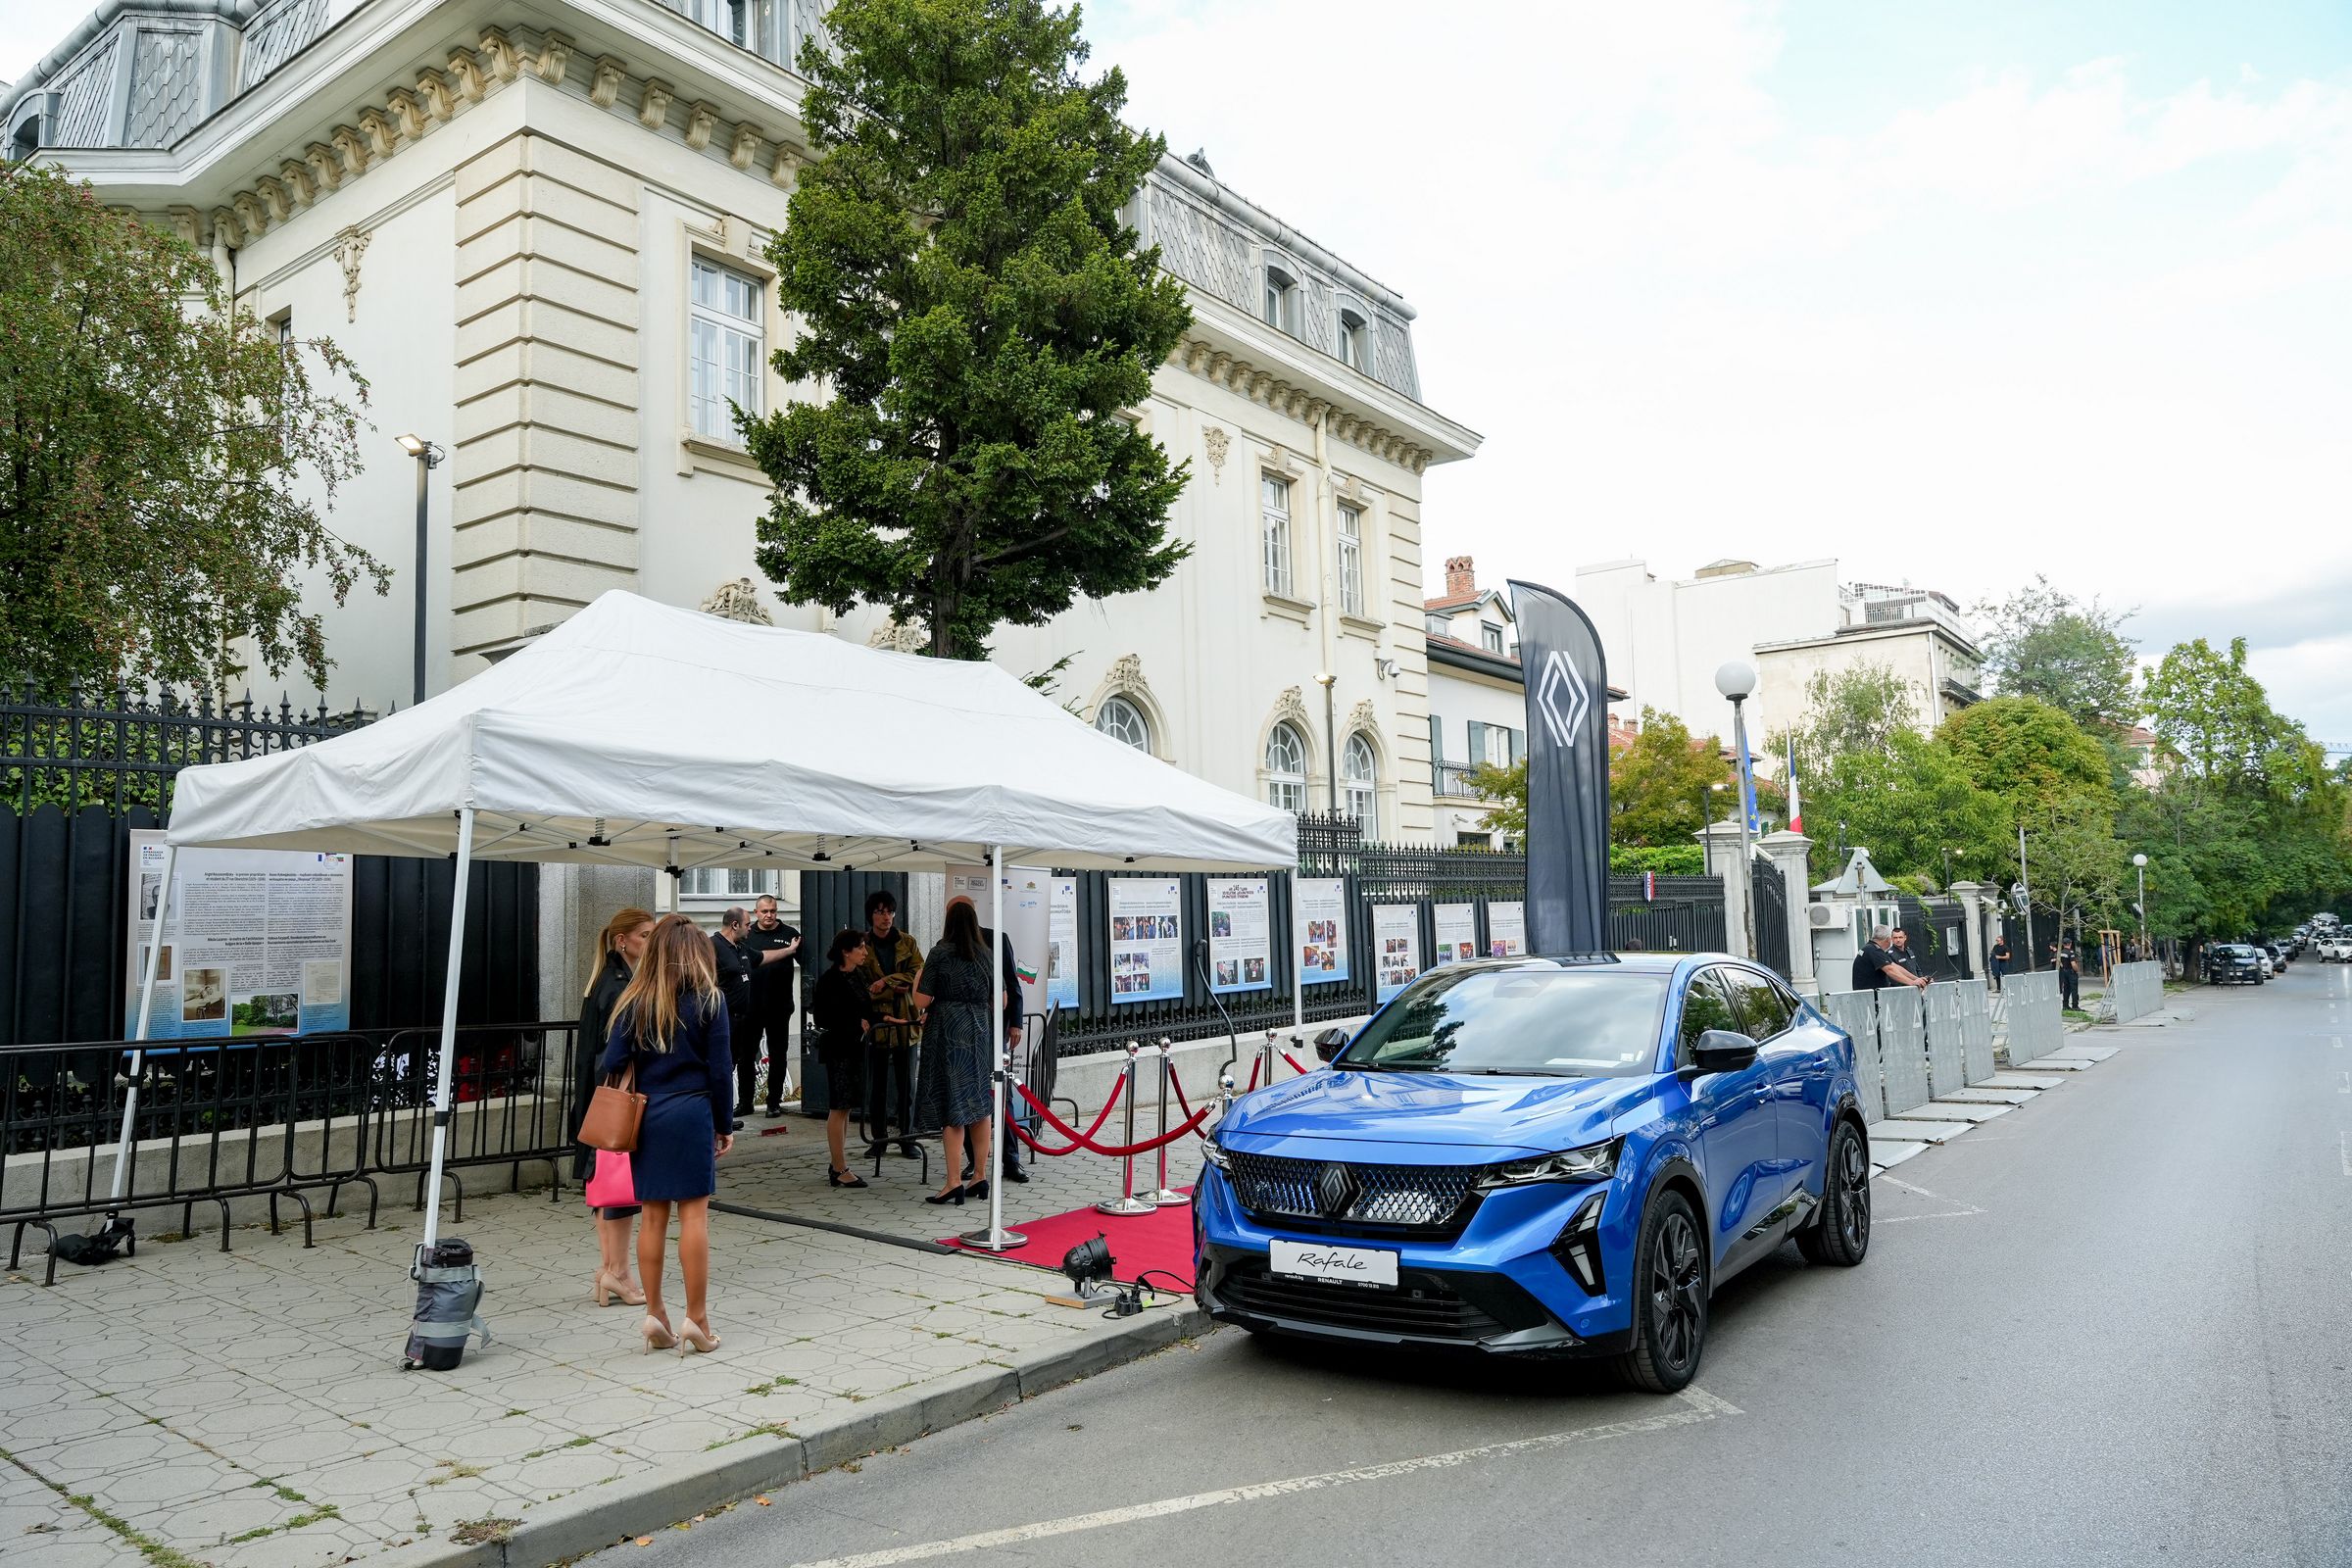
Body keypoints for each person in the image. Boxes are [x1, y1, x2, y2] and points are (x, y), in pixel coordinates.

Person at [601, 913, 734, 1355]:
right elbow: (721, 1071)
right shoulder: (711, 1001)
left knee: (652, 1217)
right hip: (693, 1111)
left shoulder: (635, 1001)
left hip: (648, 1114)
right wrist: (724, 1124)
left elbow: (611, 1061)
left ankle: (655, 1313)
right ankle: (697, 1319)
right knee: (694, 1217)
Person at [572, 907, 654, 1308]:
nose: (650, 942)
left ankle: (610, 1270)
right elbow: (617, 1051)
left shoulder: (607, 978)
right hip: (615, 1096)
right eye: (644, 936)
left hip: (599, 1098)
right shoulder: (619, 985)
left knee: (605, 1183)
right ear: (622, 940)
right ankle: (618, 1273)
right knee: (619, 1186)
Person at [912, 900, 1003, 1205]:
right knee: (979, 1102)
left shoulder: (940, 953)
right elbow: (1001, 1000)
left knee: (953, 1105)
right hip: (979, 1030)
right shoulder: (986, 954)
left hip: (949, 1030)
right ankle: (980, 1175)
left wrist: (917, 980)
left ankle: (953, 1182)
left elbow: (922, 1000)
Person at [943, 893, 1027, 1186]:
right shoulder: (945, 946)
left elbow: (1012, 984)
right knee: (966, 1095)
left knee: (1002, 1095)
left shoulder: (995, 939)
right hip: (961, 1035)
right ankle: (974, 1162)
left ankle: (1010, 1159)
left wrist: (1015, 1023)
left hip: (992, 1030)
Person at [856, 890, 925, 1159]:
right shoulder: (864, 944)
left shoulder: (907, 942)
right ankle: (879, 1139)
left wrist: (886, 981)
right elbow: (863, 984)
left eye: (890, 912)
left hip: (905, 1021)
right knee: (878, 1087)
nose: (886, 917)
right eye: (880, 912)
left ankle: (907, 1139)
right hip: (878, 1023)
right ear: (871, 915)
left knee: (907, 1086)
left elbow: (918, 974)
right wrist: (892, 987)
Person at [810, 929, 873, 1189]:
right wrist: (855, 1023)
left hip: (855, 1048)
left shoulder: (858, 975)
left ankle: (839, 1161)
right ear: (846, 952)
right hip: (839, 1049)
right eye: (860, 947)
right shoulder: (830, 980)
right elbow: (823, 1017)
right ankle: (839, 1167)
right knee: (838, 1107)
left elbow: (866, 1008)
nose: (865, 952)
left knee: (846, 1107)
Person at [738, 894, 802, 1121]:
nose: (769, 915)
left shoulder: (790, 935)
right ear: (756, 912)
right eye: (764, 911)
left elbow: (808, 965)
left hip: (779, 1006)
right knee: (746, 1055)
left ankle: (773, 1103)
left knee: (778, 1055)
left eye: (773, 911)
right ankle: (745, 1102)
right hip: (750, 1006)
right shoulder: (747, 935)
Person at [710, 906, 756, 1128]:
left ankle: (724, 1117)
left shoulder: (741, 948)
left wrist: (790, 949)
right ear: (735, 925)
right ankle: (718, 1118)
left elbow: (763, 957)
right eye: (748, 924)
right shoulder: (712, 946)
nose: (750, 928)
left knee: (730, 1066)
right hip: (723, 1019)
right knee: (721, 1067)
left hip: (740, 1020)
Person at [1852, 926, 1929, 992]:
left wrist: (1917, 979)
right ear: (1888, 939)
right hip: (1870, 997)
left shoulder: (1871, 948)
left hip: (1869, 995)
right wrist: (1912, 983)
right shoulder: (1874, 951)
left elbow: (1895, 967)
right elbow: (1890, 970)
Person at [2051, 937, 2082, 1008]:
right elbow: (2073, 964)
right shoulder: (2071, 952)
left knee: (2066, 989)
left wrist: (2064, 967)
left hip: (2064, 972)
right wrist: (2076, 970)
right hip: (2071, 972)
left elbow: (2059, 962)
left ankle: (2065, 1005)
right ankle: (2075, 1006)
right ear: (2070, 943)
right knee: (2074, 989)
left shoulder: (2061, 952)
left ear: (2063, 944)